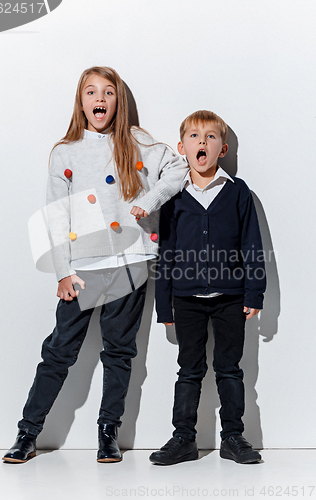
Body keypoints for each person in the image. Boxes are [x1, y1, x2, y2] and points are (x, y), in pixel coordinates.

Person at [3, 66, 187, 464]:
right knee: (58, 352)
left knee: (119, 353)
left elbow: (178, 169)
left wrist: (151, 201)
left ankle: (108, 433)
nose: (99, 98)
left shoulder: (138, 142)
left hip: (131, 262)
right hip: (82, 269)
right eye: (91, 92)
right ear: (81, 101)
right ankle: (27, 432)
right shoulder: (65, 151)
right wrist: (63, 270)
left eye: (108, 92)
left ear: (117, 100)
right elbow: (55, 216)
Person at [150, 110, 266, 466]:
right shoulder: (173, 194)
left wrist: (254, 293)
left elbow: (252, 245)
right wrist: (164, 305)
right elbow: (165, 250)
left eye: (211, 137)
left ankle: (233, 437)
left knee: (230, 369)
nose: (203, 142)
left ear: (223, 148)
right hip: (185, 299)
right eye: (195, 137)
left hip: (231, 297)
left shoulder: (238, 191)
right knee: (189, 369)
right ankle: (183, 438)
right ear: (182, 148)